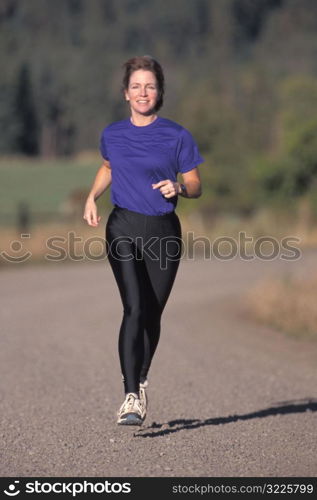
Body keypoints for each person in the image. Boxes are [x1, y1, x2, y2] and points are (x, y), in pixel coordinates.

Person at [83, 55, 204, 426]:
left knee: (153, 313)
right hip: (123, 227)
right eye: (136, 86)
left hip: (164, 232)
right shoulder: (112, 134)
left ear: (159, 92)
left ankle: (142, 373)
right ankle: (130, 395)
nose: (143, 92)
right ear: (125, 93)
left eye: (149, 86)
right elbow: (108, 166)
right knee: (134, 307)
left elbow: (196, 185)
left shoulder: (177, 135)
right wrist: (92, 196)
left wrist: (179, 187)